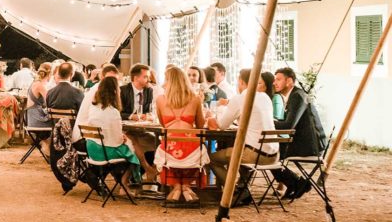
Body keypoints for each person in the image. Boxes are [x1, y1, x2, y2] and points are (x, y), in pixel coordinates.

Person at [208, 69, 278, 205]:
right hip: (274, 154)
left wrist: (211, 118)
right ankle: (242, 189)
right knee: (239, 150)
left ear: (241, 82)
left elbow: (221, 125)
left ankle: (234, 190)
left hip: (255, 155)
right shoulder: (265, 97)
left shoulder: (239, 99)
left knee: (211, 159)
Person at [153, 66, 208, 203]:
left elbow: (163, 125)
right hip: (192, 149)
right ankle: (186, 187)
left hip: (169, 148)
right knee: (197, 148)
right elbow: (201, 126)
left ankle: (177, 187)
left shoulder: (160, 99)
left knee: (166, 149)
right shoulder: (195, 99)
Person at [272, 67, 327, 200]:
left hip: (311, 145)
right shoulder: (295, 94)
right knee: (268, 152)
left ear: (289, 81)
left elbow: (289, 126)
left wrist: (268, 122)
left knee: (267, 153)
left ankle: (297, 183)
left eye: (278, 79)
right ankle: (294, 183)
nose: (274, 83)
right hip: (306, 141)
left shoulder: (297, 96)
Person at [83, 76, 142, 184]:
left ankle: (118, 179)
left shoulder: (93, 108)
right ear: (115, 91)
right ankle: (124, 182)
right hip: (105, 152)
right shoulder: (113, 112)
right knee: (134, 153)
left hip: (92, 149)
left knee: (128, 146)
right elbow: (116, 141)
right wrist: (123, 138)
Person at [73, 64, 119, 142]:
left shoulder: (98, 88)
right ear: (102, 77)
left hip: (86, 134)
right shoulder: (100, 91)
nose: (112, 82)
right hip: (87, 137)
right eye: (109, 79)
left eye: (115, 79)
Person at [25, 62, 54, 128]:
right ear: (50, 74)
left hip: (31, 118)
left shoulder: (36, 83)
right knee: (59, 121)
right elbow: (50, 102)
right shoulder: (40, 86)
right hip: (37, 119)